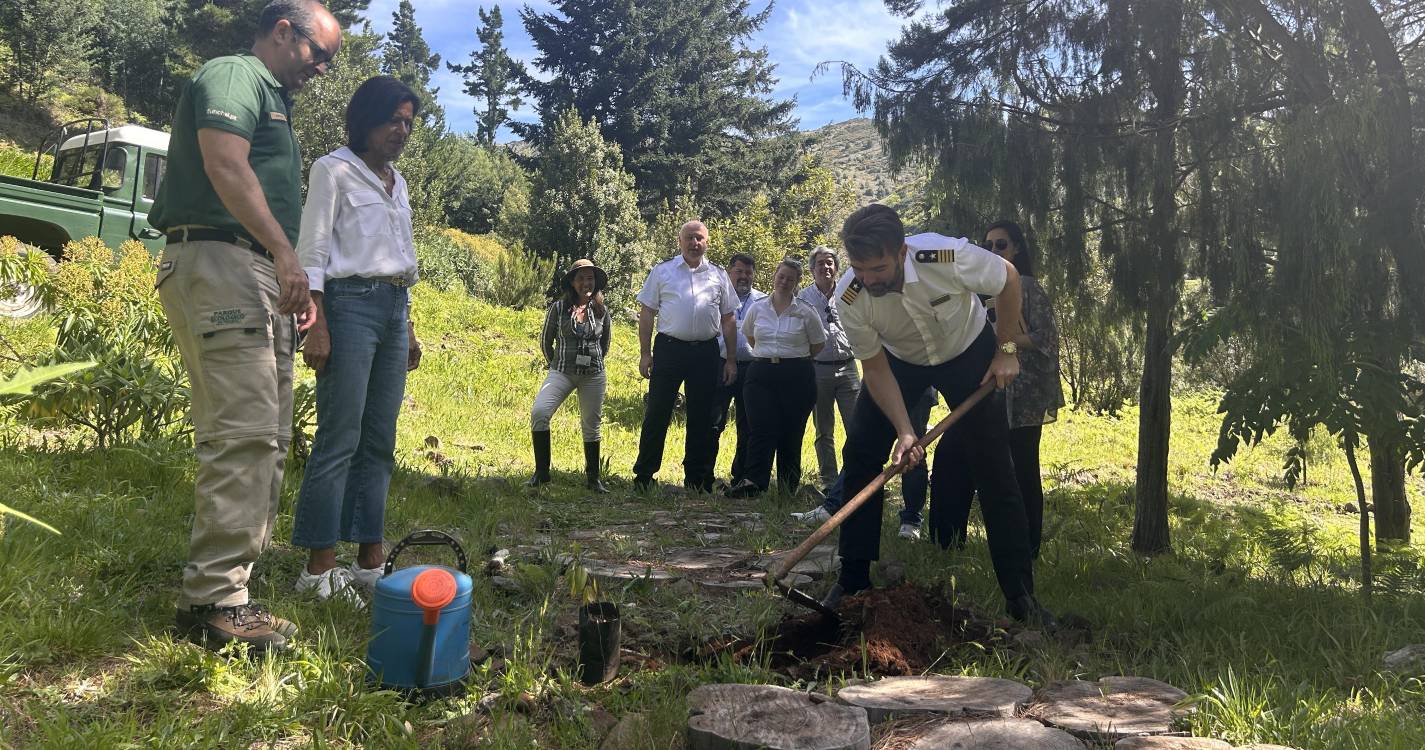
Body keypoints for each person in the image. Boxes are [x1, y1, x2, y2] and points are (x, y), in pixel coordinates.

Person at [149, 0, 341, 652]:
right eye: (320, 54)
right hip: (224, 261)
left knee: (266, 434)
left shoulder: (272, 97)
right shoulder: (235, 74)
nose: (323, 69)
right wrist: (283, 254)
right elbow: (224, 164)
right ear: (284, 31)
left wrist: (285, 275)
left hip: (252, 270)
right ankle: (213, 602)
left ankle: (231, 589)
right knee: (243, 433)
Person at [823, 204, 1053, 628]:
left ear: (901, 251)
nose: (867, 278)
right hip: (899, 364)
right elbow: (873, 368)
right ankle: (853, 579)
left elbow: (1008, 278)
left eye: (877, 268)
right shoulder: (850, 295)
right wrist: (905, 431)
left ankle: (1021, 595)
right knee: (859, 455)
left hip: (968, 354)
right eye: (859, 267)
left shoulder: (943, 256)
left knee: (996, 469)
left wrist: (1005, 351)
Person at [289, 76, 422, 603]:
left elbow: (401, 260)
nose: (400, 130)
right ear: (366, 118)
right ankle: (318, 567)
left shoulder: (399, 183)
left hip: (392, 310)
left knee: (379, 439)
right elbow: (313, 252)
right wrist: (313, 320)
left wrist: (408, 324)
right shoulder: (333, 169)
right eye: (393, 119)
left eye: (408, 123)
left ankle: (369, 558)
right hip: (347, 307)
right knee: (339, 436)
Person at [932, 220, 1064, 558]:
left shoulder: (1029, 287)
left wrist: (1003, 341)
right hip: (983, 392)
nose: (993, 252)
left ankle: (1027, 548)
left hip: (1024, 394)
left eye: (1001, 245)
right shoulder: (976, 290)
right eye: (987, 246)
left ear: (1016, 249)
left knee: (1021, 469)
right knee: (951, 458)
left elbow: (1046, 338)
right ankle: (946, 543)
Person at [632, 221, 738, 493]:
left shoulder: (718, 275)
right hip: (669, 350)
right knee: (657, 413)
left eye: (699, 238)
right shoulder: (662, 271)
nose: (694, 243)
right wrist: (645, 354)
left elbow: (728, 319)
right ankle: (644, 476)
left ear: (707, 242)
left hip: (706, 352)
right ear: (679, 242)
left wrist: (731, 360)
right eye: (689, 238)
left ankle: (696, 479)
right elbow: (647, 314)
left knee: (701, 417)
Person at [726, 259, 825, 497]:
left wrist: (791, 358)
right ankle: (753, 483)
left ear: (797, 283)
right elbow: (750, 337)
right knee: (760, 429)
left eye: (790, 279)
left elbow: (818, 344)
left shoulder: (805, 311)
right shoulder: (757, 308)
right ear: (774, 276)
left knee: (792, 431)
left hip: (797, 376)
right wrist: (772, 356)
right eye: (781, 276)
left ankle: (787, 487)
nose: (784, 281)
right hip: (761, 374)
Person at [527, 259, 614, 492]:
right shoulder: (558, 308)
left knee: (591, 425)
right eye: (582, 278)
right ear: (573, 283)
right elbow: (546, 341)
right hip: (562, 372)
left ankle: (593, 479)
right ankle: (542, 473)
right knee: (540, 412)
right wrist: (556, 363)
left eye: (590, 278)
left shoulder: (602, 310)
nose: (587, 283)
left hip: (593, 375)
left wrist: (593, 363)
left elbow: (605, 344)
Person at [798, 246, 860, 488]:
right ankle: (829, 481)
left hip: (848, 368)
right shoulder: (803, 297)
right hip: (818, 369)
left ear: (836, 268)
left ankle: (857, 476)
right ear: (812, 269)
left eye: (830, 263)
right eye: (820, 263)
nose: (826, 267)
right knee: (824, 430)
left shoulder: (849, 292)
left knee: (856, 426)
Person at [709, 253, 764, 488]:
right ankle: (703, 476)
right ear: (729, 272)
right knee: (713, 421)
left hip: (752, 368)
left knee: (748, 424)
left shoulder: (763, 301)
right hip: (720, 365)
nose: (744, 277)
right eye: (739, 271)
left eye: (748, 272)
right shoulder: (715, 297)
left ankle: (741, 477)